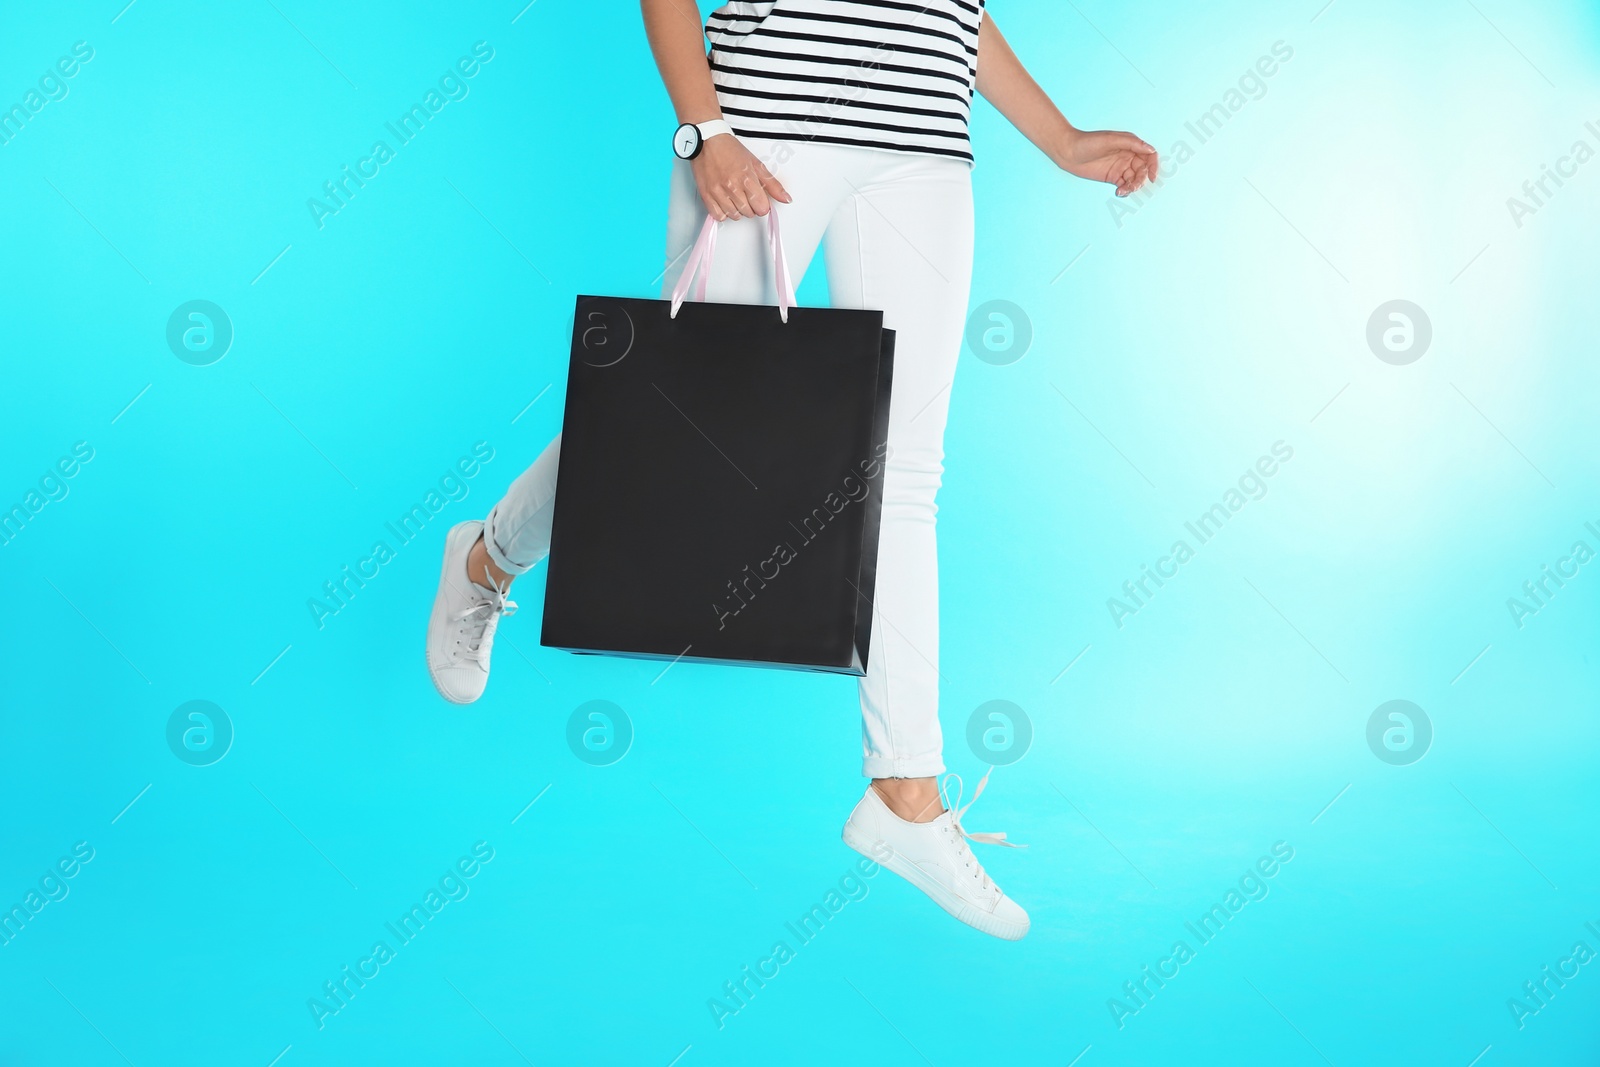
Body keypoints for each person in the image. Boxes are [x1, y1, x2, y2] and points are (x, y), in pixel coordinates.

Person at [426, 0, 1156, 940]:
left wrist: (1059, 139)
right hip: (767, 118)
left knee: (906, 471)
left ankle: (905, 793)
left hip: (926, 137)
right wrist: (705, 127)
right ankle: (486, 558)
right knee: (672, 419)